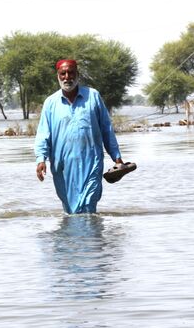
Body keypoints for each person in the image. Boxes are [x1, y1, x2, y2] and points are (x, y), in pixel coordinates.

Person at [34, 59, 133, 214]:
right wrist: (41, 159)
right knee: (70, 212)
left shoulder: (93, 96)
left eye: (71, 73)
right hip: (62, 167)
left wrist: (117, 158)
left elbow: (106, 129)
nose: (67, 77)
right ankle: (72, 238)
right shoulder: (50, 103)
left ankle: (91, 238)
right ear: (58, 76)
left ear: (77, 75)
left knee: (88, 206)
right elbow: (43, 134)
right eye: (63, 73)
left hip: (91, 163)